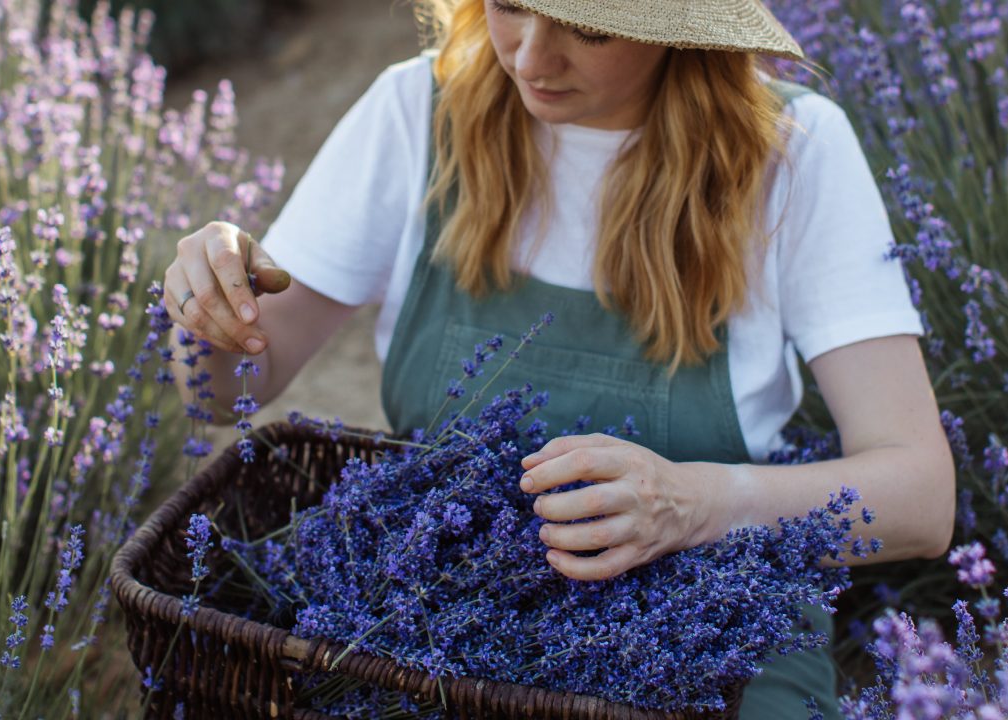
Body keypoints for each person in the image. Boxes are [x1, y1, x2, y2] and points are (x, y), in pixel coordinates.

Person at [165, 0, 956, 715]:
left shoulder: (794, 153)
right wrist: (208, 309)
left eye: (589, 27)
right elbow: (228, 390)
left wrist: (688, 504)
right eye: (510, 5)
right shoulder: (418, 111)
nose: (531, 59)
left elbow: (921, 496)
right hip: (437, 611)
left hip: (715, 623)